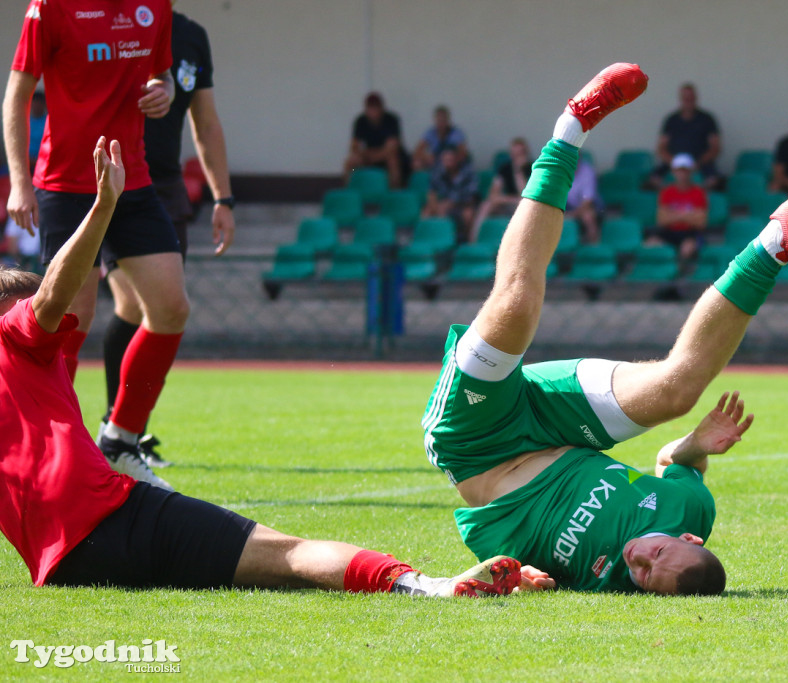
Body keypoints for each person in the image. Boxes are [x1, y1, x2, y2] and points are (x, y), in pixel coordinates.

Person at [0, 137, 522, 598]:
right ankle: (429, 586)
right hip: (113, 515)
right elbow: (51, 297)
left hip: (63, 566)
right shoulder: (16, 336)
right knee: (285, 555)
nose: (60, 332)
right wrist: (103, 207)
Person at [421, 63, 788, 595]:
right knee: (673, 389)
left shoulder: (603, 583)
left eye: (644, 577)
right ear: (690, 539)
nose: (639, 561)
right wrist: (697, 442)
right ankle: (771, 239)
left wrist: (524, 578)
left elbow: (511, 572)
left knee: (512, 311)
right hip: (560, 426)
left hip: (478, 443)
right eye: (658, 554)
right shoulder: (690, 508)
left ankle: (573, 139)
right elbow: (674, 461)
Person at [5, 0, 191, 489]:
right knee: (68, 321)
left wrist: (164, 92)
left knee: (171, 308)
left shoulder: (156, 6)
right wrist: (20, 182)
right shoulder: (49, 8)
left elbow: (163, 77)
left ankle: (120, 441)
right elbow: (18, 93)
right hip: (65, 186)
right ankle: (49, 452)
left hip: (132, 180)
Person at [100, 4, 237, 468]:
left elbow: (206, 121)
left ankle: (123, 433)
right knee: (133, 306)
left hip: (164, 187)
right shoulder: (103, 20)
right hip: (108, 178)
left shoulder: (191, 35)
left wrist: (223, 198)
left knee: (163, 308)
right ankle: (115, 430)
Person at [654, 83, 721, 189]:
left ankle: (699, 203)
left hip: (701, 163)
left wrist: (698, 163)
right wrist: (674, 163)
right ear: (681, 99)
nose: (688, 101)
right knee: (654, 179)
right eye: (685, 98)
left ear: (695, 98)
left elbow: (715, 148)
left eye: (691, 98)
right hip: (674, 163)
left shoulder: (707, 119)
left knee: (713, 181)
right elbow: (661, 147)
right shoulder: (671, 120)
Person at [343, 92, 409, 189]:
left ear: (381, 108)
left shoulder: (391, 120)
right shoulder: (360, 121)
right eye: (370, 108)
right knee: (350, 163)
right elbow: (354, 146)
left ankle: (394, 190)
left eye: (375, 107)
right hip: (370, 156)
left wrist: (370, 156)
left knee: (392, 160)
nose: (373, 111)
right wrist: (362, 155)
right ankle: (350, 189)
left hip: (388, 157)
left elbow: (391, 148)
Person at [470, 137, 532, 241]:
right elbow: (493, 195)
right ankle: (473, 239)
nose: (517, 157)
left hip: (524, 206)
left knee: (523, 204)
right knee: (486, 205)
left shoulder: (532, 168)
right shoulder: (505, 169)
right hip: (509, 202)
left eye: (520, 154)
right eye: (514, 154)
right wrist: (508, 199)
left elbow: (525, 196)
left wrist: (518, 171)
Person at [653, 153, 708, 262]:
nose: (682, 174)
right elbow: (661, 220)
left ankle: (681, 275)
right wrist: (688, 216)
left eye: (685, 170)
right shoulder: (667, 192)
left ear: (691, 172)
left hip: (691, 233)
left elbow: (701, 222)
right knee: (650, 245)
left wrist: (673, 215)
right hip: (669, 232)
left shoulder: (698, 193)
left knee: (687, 248)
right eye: (679, 170)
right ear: (673, 172)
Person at [421, 146, 478, 241]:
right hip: (444, 204)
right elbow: (431, 192)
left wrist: (451, 203)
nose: (447, 163)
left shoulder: (468, 172)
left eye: (450, 160)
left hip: (464, 205)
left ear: (457, 159)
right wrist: (435, 207)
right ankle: (430, 239)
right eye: (445, 160)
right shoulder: (439, 171)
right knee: (426, 212)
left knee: (468, 214)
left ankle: (466, 241)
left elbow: (471, 197)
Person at [412, 105, 469, 172]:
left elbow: (463, 153)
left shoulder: (456, 133)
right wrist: (426, 157)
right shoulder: (430, 133)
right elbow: (417, 150)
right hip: (436, 162)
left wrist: (452, 160)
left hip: (451, 162)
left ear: (448, 120)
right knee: (417, 163)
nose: (441, 123)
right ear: (435, 120)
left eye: (443, 120)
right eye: (439, 119)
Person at [564, 154, 602, 243]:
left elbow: (587, 202)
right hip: (565, 205)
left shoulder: (587, 171)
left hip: (586, 207)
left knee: (588, 216)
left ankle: (593, 245)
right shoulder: (557, 171)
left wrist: (571, 214)